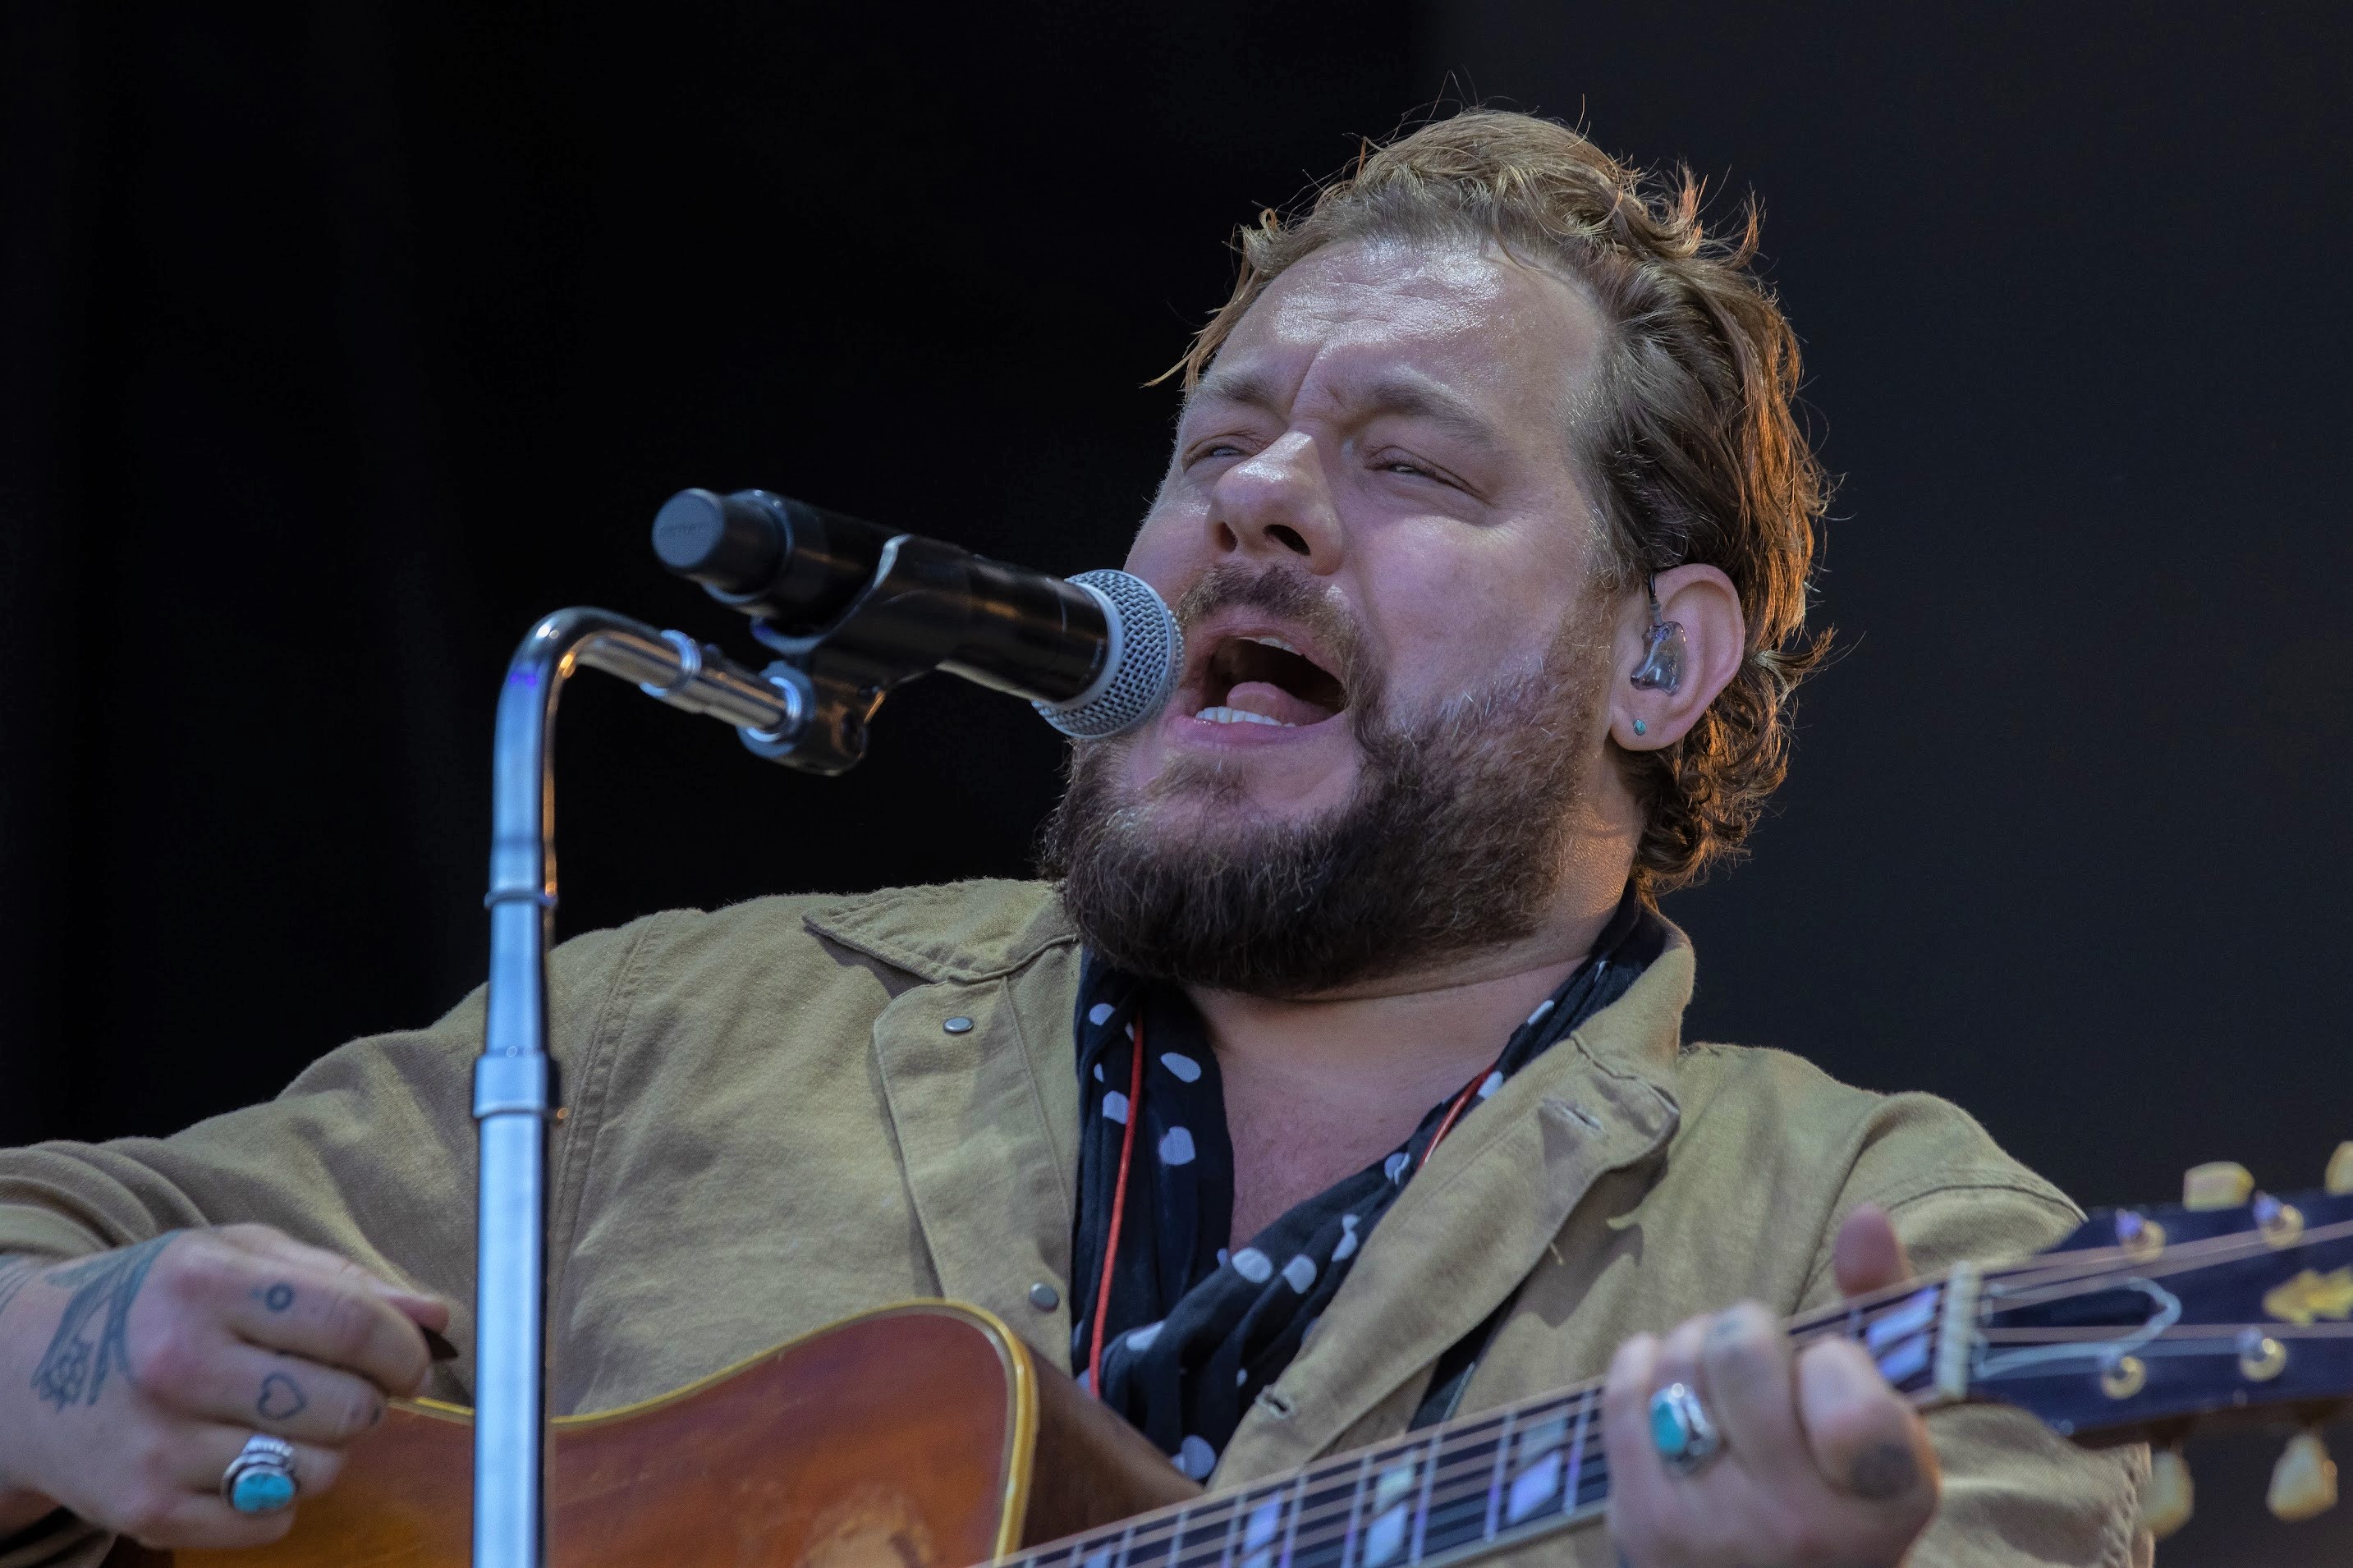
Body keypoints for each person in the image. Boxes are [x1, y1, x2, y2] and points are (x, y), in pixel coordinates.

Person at [0, 111, 2147, 1567]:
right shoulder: (680, 1034)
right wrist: (77, 1371)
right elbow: (118, 1326)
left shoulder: (1876, 1242)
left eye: (1406, 466)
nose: (1260, 499)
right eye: (1225, 441)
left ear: (1659, 661)